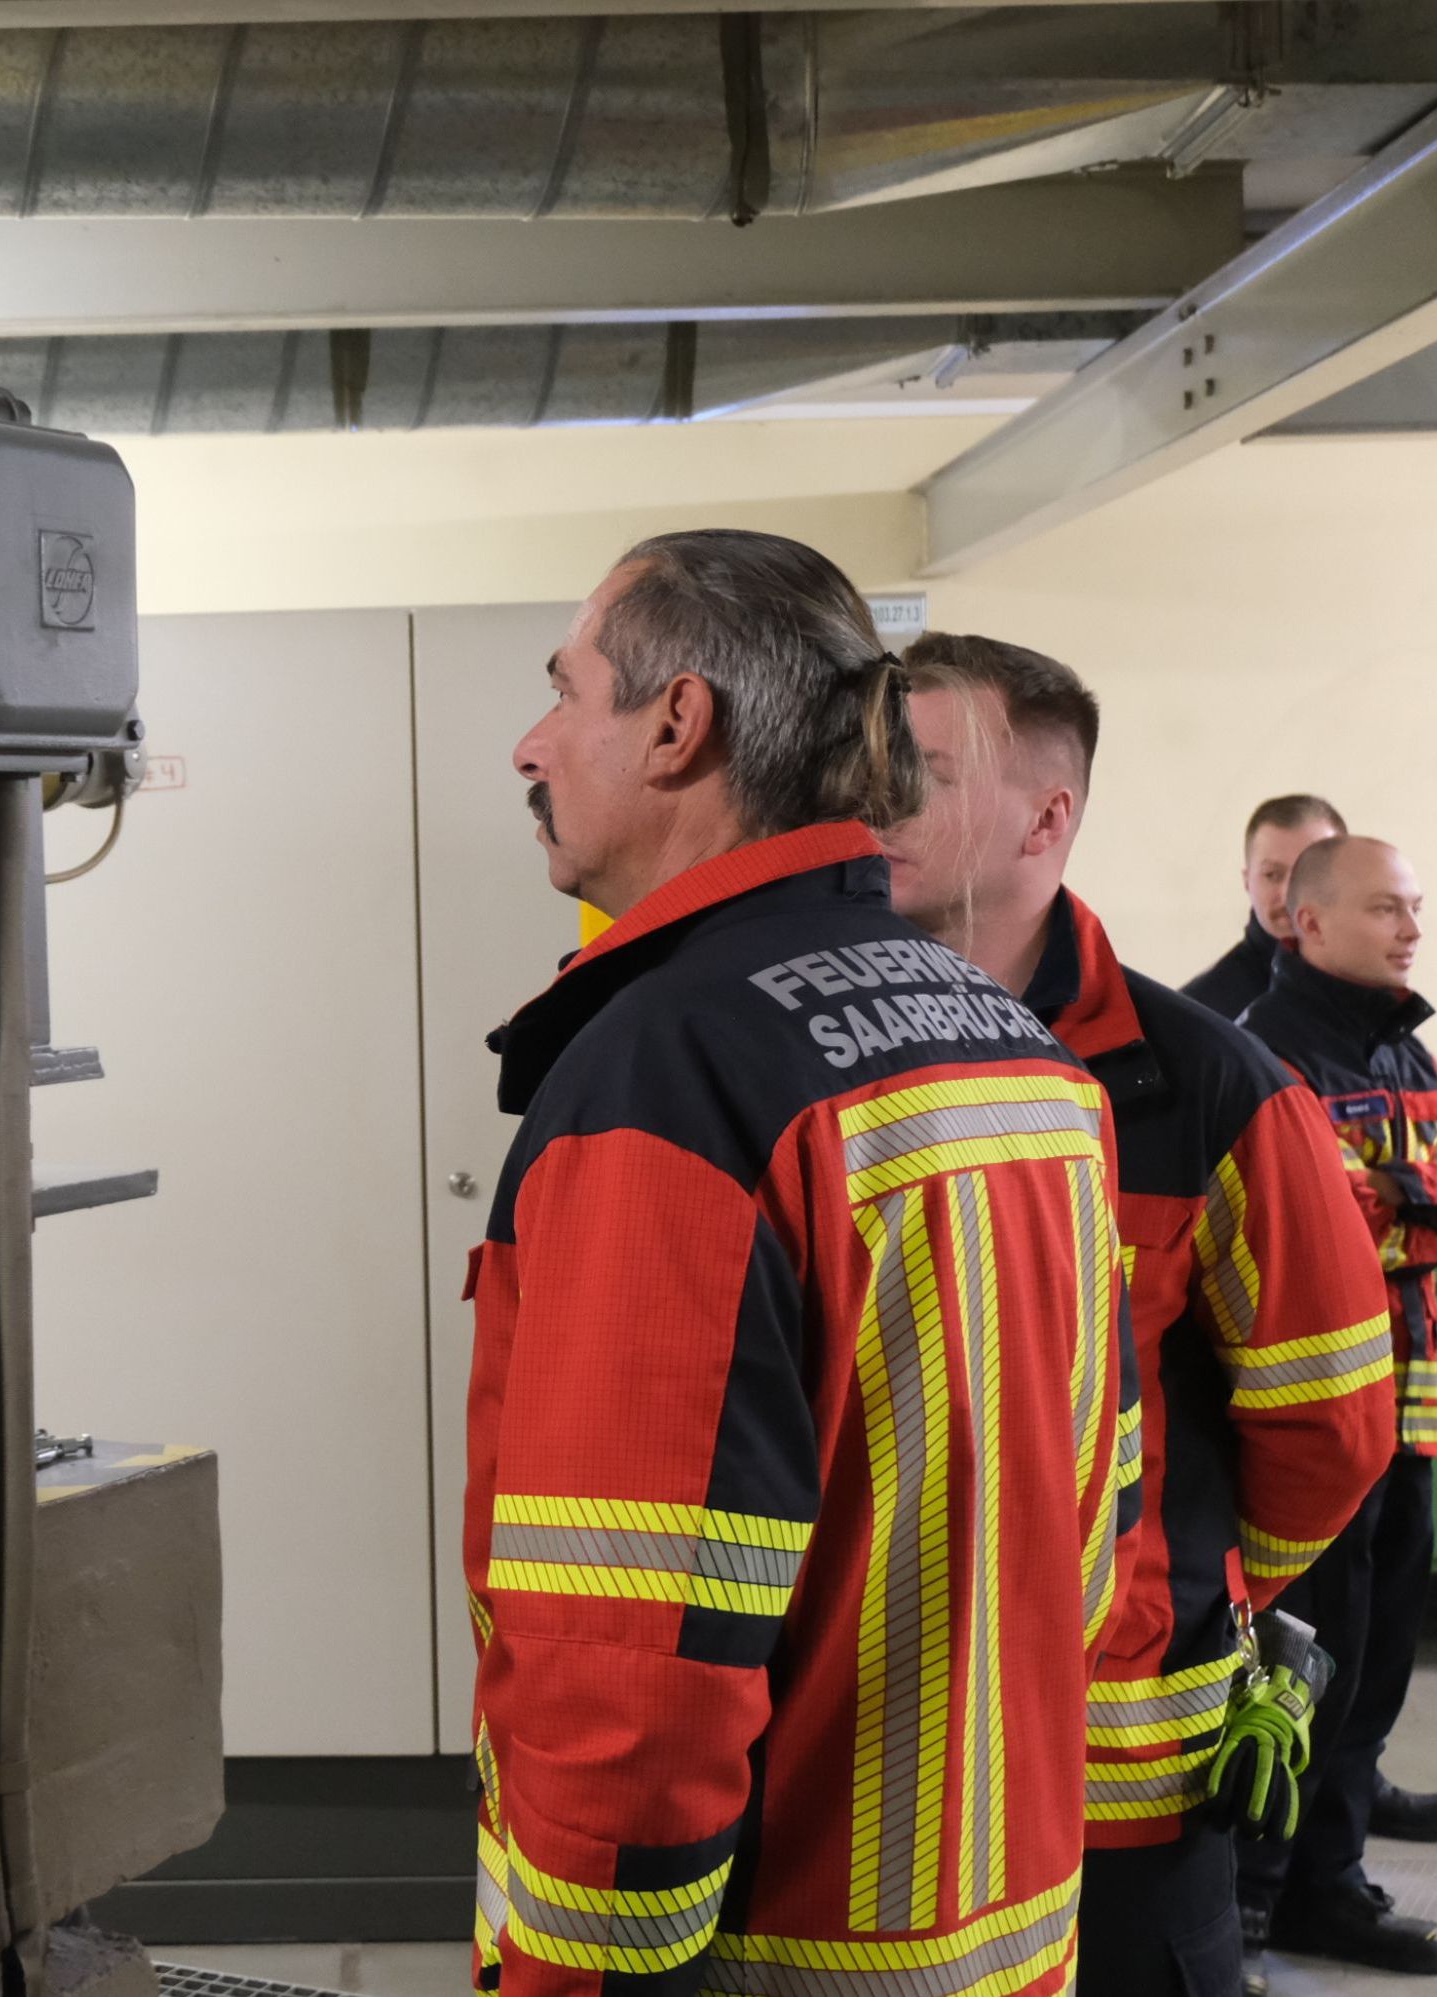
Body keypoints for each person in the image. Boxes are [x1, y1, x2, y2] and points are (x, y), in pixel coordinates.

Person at [468, 532, 1131, 1997]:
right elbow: (1093, 1525)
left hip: (765, 1954)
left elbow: (627, 1647)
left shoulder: (672, 1069)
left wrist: (572, 1977)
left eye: (564, 690)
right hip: (998, 1933)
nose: (529, 742)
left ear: (674, 725)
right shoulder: (1008, 1039)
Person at [877, 633, 1395, 1997]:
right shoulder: (810, 1053)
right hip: (880, 1761)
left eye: (916, 773)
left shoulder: (1202, 1084)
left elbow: (1330, 1421)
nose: (869, 802)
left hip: (1118, 1770)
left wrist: (1169, 1591)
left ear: (1047, 817)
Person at [1235, 835, 1437, 1980]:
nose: (1411, 928)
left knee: (1373, 1669)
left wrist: (1409, 1192)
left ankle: (1328, 1883)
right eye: (1383, 909)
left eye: (1415, 907)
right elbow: (1315, 1225)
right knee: (1293, 1669)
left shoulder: (1405, 1049)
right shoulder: (1267, 1055)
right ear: (1303, 923)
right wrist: (1425, 1210)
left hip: (1408, 1413)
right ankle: (1249, 1902)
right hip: (1312, 1422)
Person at [1183, 796, 1348, 1021]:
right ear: (1247, 881)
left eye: (1309, 872)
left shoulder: (1378, 993)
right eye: (1273, 875)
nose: (1289, 894)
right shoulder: (1199, 1015)